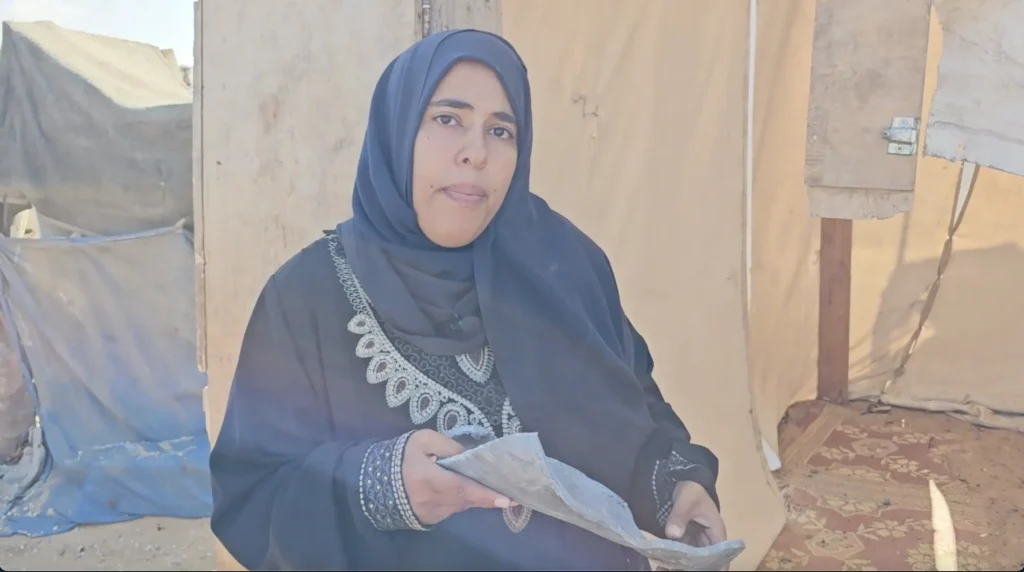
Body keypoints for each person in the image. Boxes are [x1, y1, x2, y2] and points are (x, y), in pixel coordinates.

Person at [209, 29, 727, 571]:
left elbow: (636, 400)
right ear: (397, 129)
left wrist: (676, 482)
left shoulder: (565, 264)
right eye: (447, 119)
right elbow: (252, 496)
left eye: (500, 131)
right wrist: (381, 484)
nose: (476, 153)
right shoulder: (304, 299)